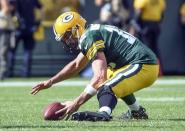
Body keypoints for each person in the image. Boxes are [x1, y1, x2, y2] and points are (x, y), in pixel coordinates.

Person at [31, 12, 159, 121]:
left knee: (105, 85)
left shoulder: (88, 36)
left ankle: (104, 113)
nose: (67, 41)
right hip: (141, 64)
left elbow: (99, 78)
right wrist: (51, 81)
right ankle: (137, 111)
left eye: (67, 35)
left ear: (77, 28)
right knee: (110, 75)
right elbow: (76, 65)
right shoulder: (90, 33)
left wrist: (76, 103)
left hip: (143, 65)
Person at [8, 0, 43, 77]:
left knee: (11, 51)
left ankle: (9, 73)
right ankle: (26, 73)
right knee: (28, 52)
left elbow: (10, 8)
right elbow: (41, 8)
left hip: (17, 28)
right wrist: (39, 21)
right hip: (30, 28)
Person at [129, 0, 166, 75]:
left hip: (145, 26)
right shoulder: (161, 1)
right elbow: (162, 15)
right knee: (155, 49)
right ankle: (159, 71)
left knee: (146, 49)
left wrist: (134, 25)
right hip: (156, 25)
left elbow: (138, 13)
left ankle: (149, 70)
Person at [0, 0, 16, 80]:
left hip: (4, 28)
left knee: (3, 52)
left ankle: (2, 73)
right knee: (3, 52)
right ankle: (2, 73)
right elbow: (7, 8)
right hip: (4, 28)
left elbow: (6, 8)